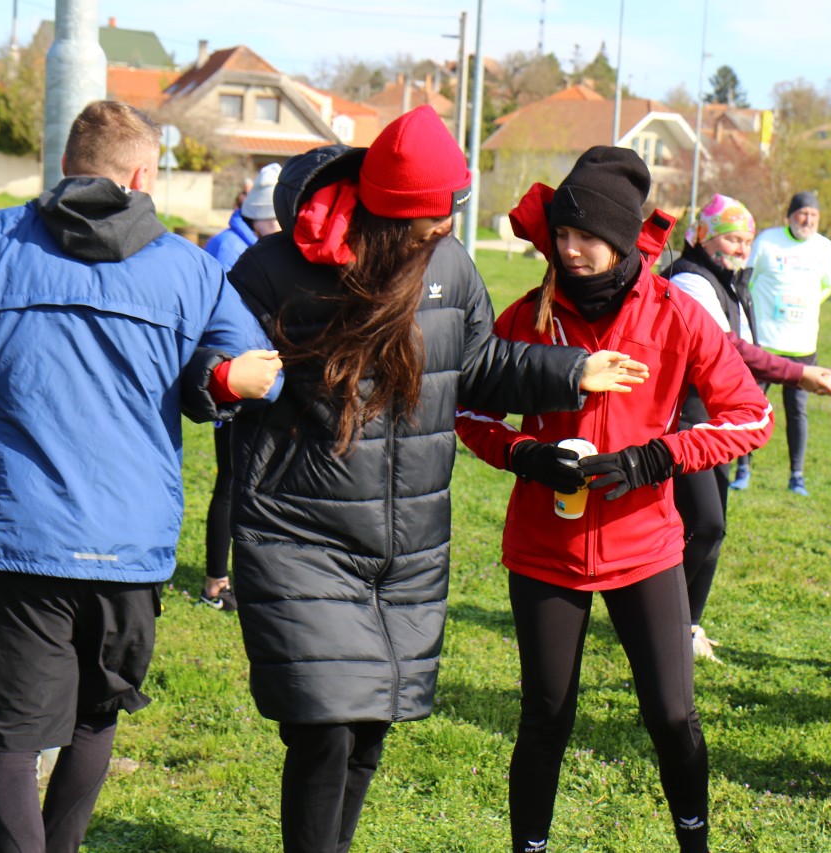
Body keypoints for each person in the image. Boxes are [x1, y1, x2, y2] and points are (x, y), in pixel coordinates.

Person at [218, 107, 646, 853]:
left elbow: (478, 365)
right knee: (324, 727)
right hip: (299, 530)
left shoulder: (449, 265)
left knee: (369, 725)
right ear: (393, 210)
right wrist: (225, 378)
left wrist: (571, 370)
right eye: (439, 209)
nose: (449, 221)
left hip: (404, 544)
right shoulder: (276, 268)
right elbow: (205, 357)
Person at [0, 101, 282, 853]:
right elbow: (257, 369)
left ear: (66, 166)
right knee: (96, 714)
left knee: (8, 728)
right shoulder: (190, 267)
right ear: (142, 175)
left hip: (21, 529)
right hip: (129, 537)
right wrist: (215, 381)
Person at [456, 148, 774, 853]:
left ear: (624, 237)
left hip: (645, 548)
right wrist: (524, 454)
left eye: (588, 236)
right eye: (562, 234)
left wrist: (656, 457)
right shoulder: (527, 315)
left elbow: (752, 417)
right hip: (545, 548)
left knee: (672, 716)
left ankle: (695, 842)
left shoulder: (676, 314)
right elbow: (469, 410)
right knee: (545, 717)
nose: (570, 249)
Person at [662, 194, 831, 661]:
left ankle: (687, 626)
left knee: (713, 529)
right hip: (683, 421)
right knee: (704, 524)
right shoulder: (689, 279)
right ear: (704, 236)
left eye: (746, 240)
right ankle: (660, 622)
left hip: (716, 422)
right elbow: (728, 347)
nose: (741, 248)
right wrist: (797, 373)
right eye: (731, 238)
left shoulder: (728, 281)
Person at [199, 162, 283, 611]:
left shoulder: (247, 243)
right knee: (231, 482)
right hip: (233, 384)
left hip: (257, 380)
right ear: (262, 216)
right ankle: (215, 582)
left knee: (251, 482)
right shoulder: (230, 248)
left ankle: (249, 573)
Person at [739, 190, 831, 496]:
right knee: (750, 408)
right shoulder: (767, 241)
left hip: (802, 346)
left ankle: (797, 475)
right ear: (790, 215)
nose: (808, 220)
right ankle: (742, 468)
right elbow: (746, 282)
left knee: (797, 412)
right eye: (802, 213)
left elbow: (827, 286)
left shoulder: (825, 248)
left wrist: (802, 305)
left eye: (814, 215)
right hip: (764, 344)